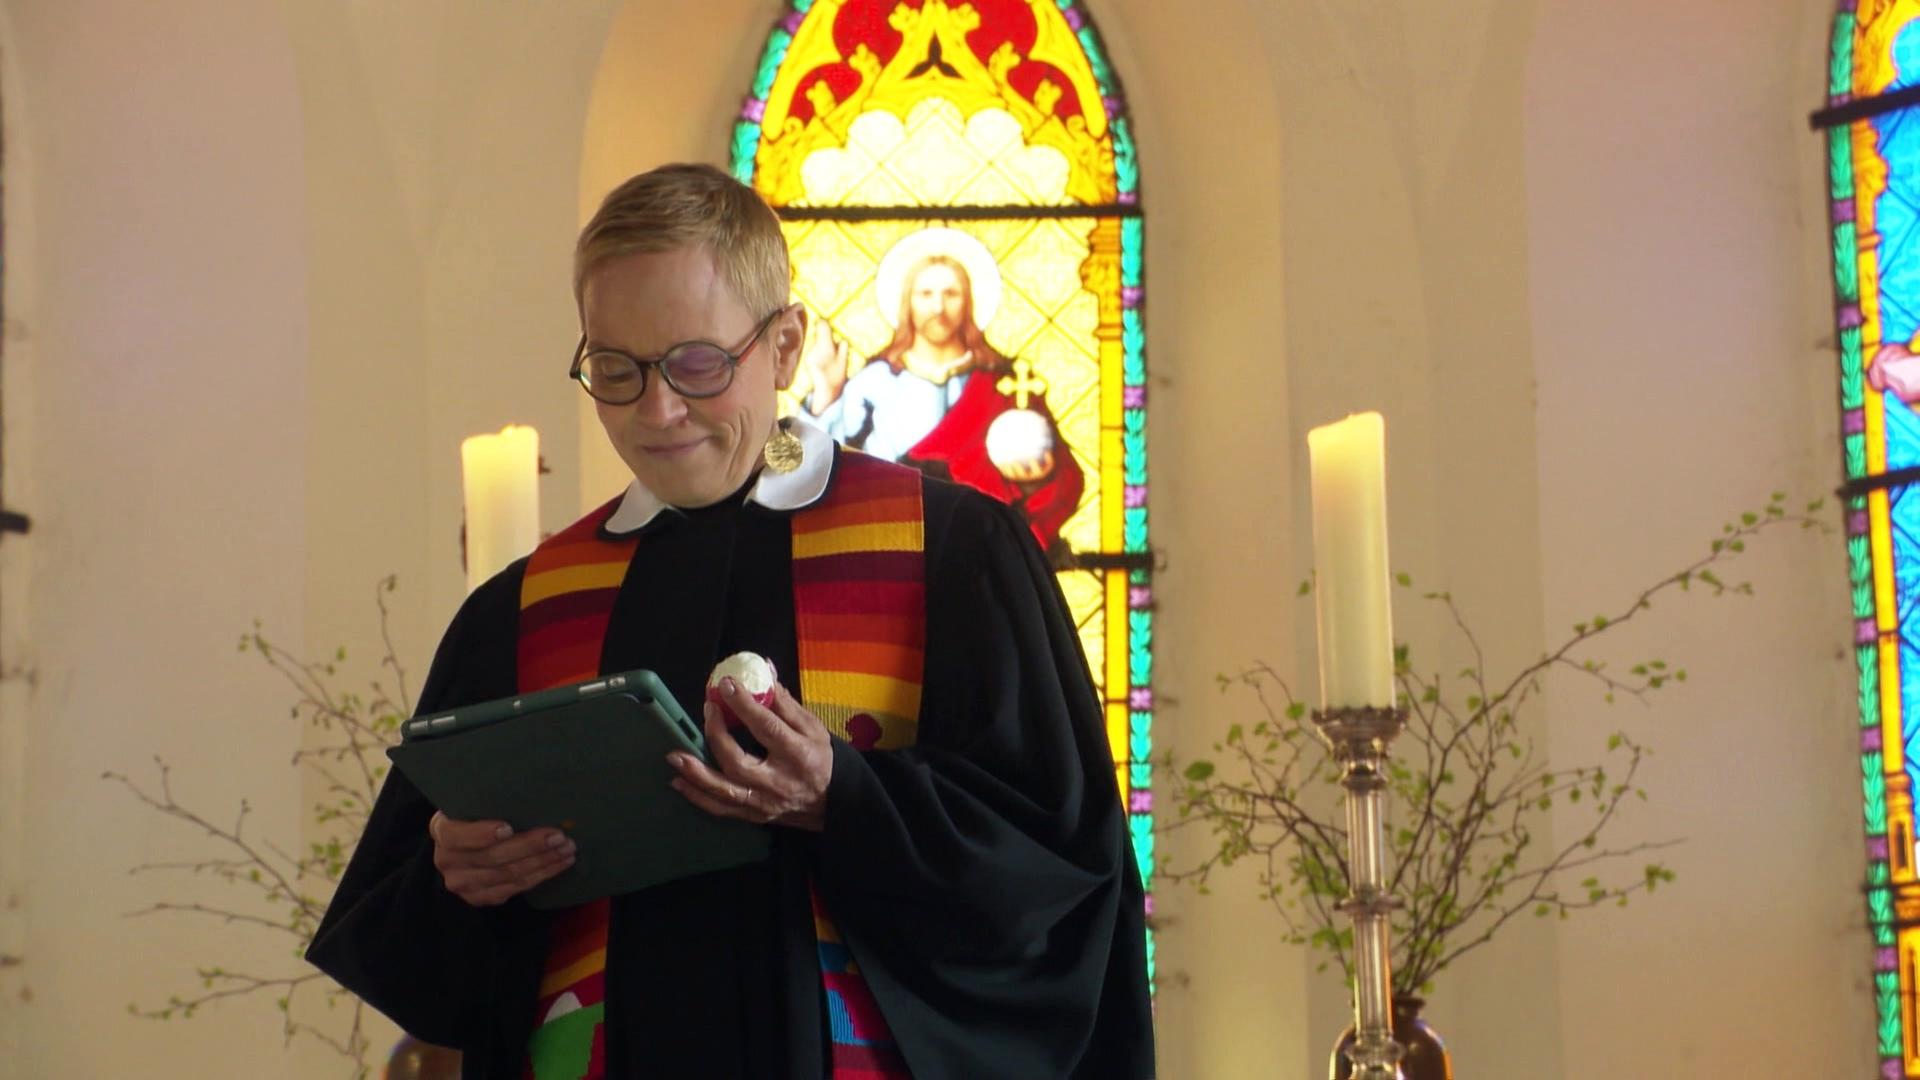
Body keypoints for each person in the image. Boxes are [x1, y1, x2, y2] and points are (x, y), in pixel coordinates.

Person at [306, 163, 1154, 1079]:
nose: (657, 409)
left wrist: (846, 798)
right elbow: (421, 960)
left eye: (698, 364)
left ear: (785, 346)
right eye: (616, 370)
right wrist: (459, 879)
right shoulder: (525, 605)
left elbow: (1064, 874)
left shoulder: (948, 551)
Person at [802, 238, 1086, 558]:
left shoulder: (1006, 384)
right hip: (890, 544)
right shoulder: (876, 382)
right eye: (926, 294)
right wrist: (826, 394)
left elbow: (1063, 478)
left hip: (982, 552)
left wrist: (1036, 480)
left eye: (951, 294)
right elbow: (815, 466)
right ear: (907, 303)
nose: (938, 307)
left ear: (968, 302)